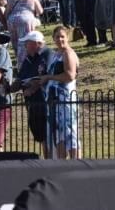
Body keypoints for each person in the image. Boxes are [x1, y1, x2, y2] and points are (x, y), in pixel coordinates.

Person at [38, 26, 80, 159]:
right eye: (57, 37)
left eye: (63, 36)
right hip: (55, 100)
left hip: (66, 99)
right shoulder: (57, 54)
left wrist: (49, 77)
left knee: (70, 133)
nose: (60, 39)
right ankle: (62, 163)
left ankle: (76, 163)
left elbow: (70, 75)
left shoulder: (68, 53)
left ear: (67, 38)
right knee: (59, 134)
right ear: (53, 39)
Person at [12, 31, 51, 158]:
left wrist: (33, 87)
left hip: (46, 104)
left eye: (27, 43)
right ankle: (47, 162)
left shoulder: (48, 54)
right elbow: (20, 79)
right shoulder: (28, 59)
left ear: (36, 43)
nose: (25, 47)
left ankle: (52, 163)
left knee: (49, 136)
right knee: (41, 137)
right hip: (33, 105)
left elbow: (46, 76)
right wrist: (8, 88)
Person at [6, 0, 43, 69]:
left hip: (12, 20)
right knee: (24, 43)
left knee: (15, 43)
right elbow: (40, 11)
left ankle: (19, 62)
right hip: (26, 20)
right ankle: (23, 65)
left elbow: (7, 12)